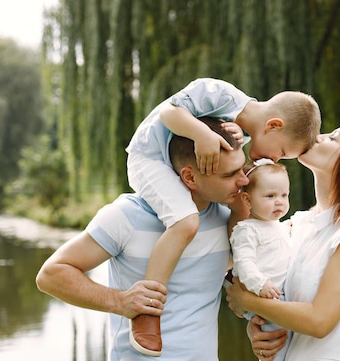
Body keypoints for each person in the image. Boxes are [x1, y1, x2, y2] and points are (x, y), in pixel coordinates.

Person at [125, 77, 320, 355]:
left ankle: (248, 296)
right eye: (282, 152)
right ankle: (147, 311)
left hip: (186, 173)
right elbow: (169, 112)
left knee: (238, 213)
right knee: (186, 222)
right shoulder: (220, 94)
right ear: (274, 125)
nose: (275, 160)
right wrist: (200, 134)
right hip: (151, 159)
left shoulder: (243, 132)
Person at [36, 117, 249, 361]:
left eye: (242, 169)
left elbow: (239, 272)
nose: (243, 180)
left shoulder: (227, 220)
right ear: (190, 177)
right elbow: (51, 275)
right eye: (230, 174)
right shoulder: (125, 216)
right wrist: (119, 301)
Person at [225, 119, 340, 361]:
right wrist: (263, 329)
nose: (317, 136)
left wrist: (249, 301)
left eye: (333, 138)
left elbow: (319, 321)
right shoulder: (300, 224)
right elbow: (280, 295)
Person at [228, 158, 292, 361]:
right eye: (270, 196)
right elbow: (244, 263)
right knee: (277, 344)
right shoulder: (247, 229)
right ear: (248, 201)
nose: (279, 201)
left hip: (280, 296)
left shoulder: (279, 225)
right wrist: (260, 284)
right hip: (265, 296)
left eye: (284, 195)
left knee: (289, 343)